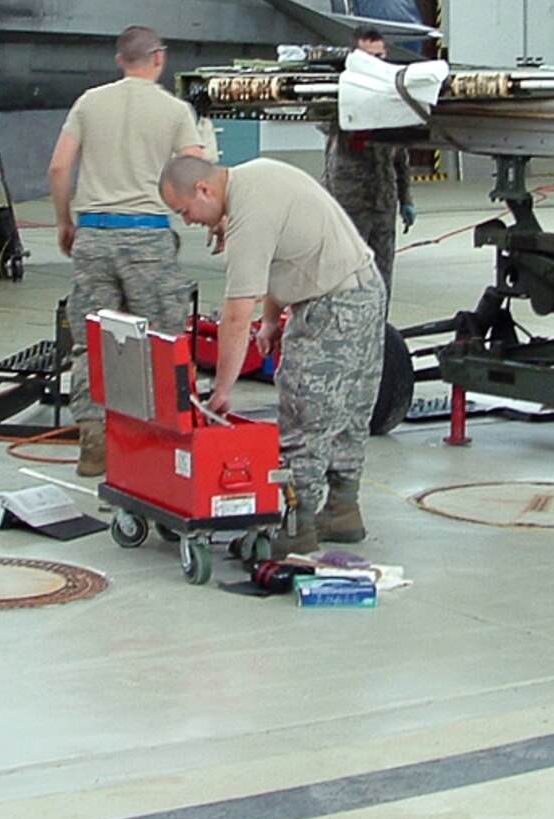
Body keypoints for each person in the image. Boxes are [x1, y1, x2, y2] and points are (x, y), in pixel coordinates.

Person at [159, 155, 385, 555]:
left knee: (304, 418)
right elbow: (284, 255)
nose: (189, 221)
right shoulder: (256, 177)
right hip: (363, 293)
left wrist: (224, 389)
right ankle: (342, 508)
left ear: (204, 190)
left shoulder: (247, 217)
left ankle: (299, 527)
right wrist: (271, 321)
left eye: (185, 211)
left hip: (332, 308)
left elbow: (234, 314)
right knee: (349, 413)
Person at [48, 25, 208, 477]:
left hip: (93, 236)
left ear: (120, 60)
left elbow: (60, 166)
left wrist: (65, 221)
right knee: (163, 344)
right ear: (159, 58)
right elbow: (194, 171)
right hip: (148, 237)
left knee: (92, 344)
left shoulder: (89, 102)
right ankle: (161, 447)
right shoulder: (176, 111)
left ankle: (94, 443)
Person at [322, 28, 415, 292]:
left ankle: (380, 329)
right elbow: (323, 122)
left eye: (379, 56)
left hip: (383, 202)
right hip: (349, 202)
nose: (374, 63)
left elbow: (400, 154)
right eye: (367, 57)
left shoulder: (393, 92)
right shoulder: (339, 89)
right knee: (348, 277)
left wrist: (406, 198)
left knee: (382, 278)